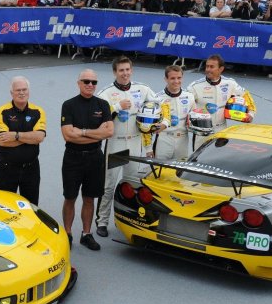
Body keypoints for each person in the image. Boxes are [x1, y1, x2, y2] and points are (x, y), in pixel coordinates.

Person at [94, 56, 158, 238]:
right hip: (117, 143)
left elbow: (160, 107)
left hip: (136, 142)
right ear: (115, 72)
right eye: (121, 70)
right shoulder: (106, 93)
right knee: (109, 185)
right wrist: (117, 106)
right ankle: (102, 221)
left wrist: (162, 125)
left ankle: (131, 220)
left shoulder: (143, 89)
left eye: (127, 70)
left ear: (132, 70)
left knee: (133, 185)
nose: (125, 73)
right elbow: (97, 115)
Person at [61, 69, 113, 250]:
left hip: (95, 158)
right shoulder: (68, 105)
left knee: (89, 198)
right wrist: (96, 133)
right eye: (86, 81)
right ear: (79, 83)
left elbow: (109, 132)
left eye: (94, 82)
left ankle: (86, 234)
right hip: (72, 158)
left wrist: (82, 132)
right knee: (70, 197)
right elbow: (68, 135)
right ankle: (67, 234)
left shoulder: (103, 105)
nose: (90, 85)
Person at [0, 76, 46, 204]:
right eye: (18, 90)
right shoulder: (2, 111)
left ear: (29, 91)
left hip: (31, 169)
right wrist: (30, 137)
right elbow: (2, 141)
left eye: (24, 89)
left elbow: (40, 137)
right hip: (7, 169)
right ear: (12, 93)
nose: (21, 93)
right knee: (4, 206)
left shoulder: (38, 111)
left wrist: (16, 136)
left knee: (31, 207)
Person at [187, 54, 256, 150]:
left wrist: (251, 114)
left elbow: (246, 96)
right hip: (202, 130)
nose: (208, 69)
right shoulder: (195, 86)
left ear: (221, 69)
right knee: (198, 158)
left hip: (222, 130)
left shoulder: (230, 83)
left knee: (220, 157)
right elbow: (184, 104)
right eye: (207, 66)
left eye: (212, 67)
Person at [152, 65, 195, 160]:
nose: (176, 81)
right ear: (166, 79)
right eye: (172, 78)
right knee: (160, 167)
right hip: (164, 139)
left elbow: (193, 118)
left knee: (180, 168)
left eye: (179, 78)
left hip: (183, 139)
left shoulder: (190, 97)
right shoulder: (157, 98)